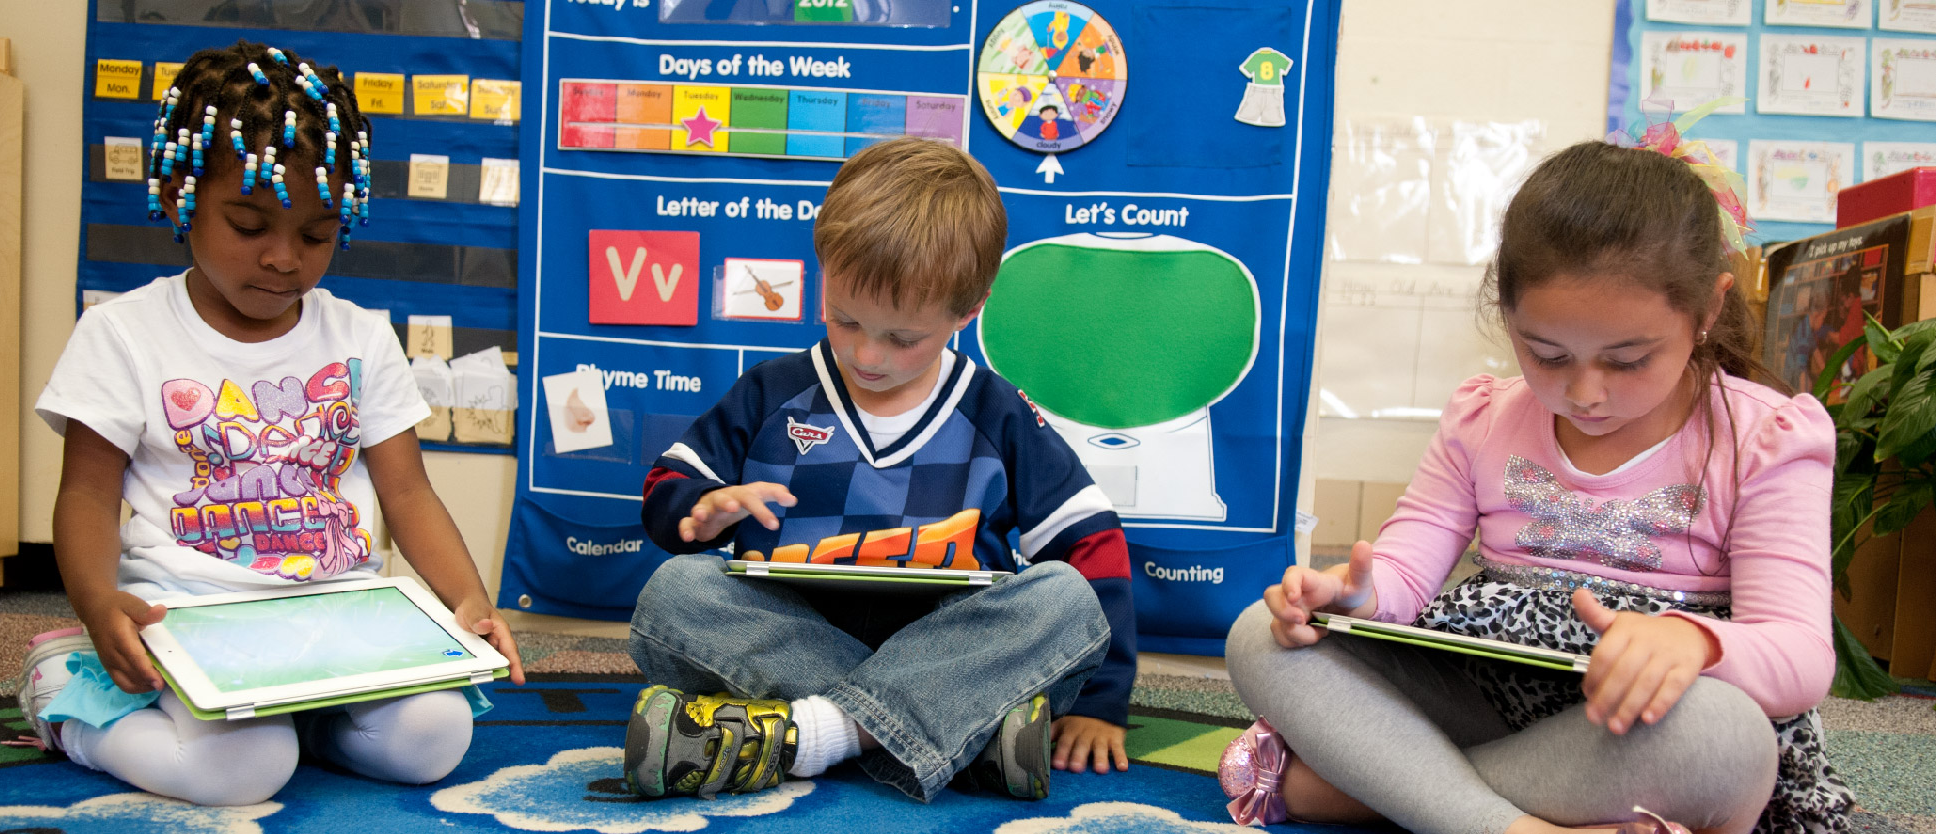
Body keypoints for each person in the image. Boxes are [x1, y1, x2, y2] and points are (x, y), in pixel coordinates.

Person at [1224, 135, 1855, 833]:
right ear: (1507, 311)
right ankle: (1509, 825)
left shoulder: (1765, 438)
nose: (1584, 392)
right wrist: (1356, 595)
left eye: (1628, 359)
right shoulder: (1481, 416)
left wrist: (1694, 642)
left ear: (1707, 311)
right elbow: (1405, 574)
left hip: (1629, 724)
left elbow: (1799, 654)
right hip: (1478, 704)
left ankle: (1371, 792)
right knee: (1263, 635)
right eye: (1545, 354)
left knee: (1725, 738)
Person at [17, 40, 525, 806]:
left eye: (317, 235)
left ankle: (309, 722)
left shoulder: (358, 334)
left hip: (341, 612)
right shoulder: (122, 333)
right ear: (181, 194)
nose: (285, 259)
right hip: (189, 611)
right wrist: (96, 603)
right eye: (250, 224)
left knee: (433, 740)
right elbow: (87, 495)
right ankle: (67, 705)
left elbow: (408, 494)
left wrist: (470, 599)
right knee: (242, 768)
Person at [623, 137, 1135, 803]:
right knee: (676, 593)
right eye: (845, 320)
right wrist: (700, 507)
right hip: (799, 633)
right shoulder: (771, 391)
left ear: (967, 311)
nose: (868, 355)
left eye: (902, 338)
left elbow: (1088, 544)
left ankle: (809, 734)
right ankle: (968, 735)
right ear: (824, 273)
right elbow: (670, 486)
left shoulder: (997, 412)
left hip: (955, 642)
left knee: (1063, 597)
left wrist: (1100, 702)